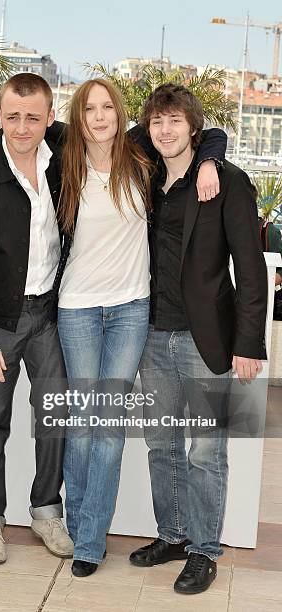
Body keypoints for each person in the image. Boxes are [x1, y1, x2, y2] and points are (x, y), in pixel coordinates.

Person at [53, 78, 227, 578]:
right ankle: (79, 524)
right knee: (85, 425)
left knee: (108, 430)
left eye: (109, 107)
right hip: (78, 310)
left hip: (132, 311)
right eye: (91, 109)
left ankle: (89, 542)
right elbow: (13, 136)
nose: (101, 116)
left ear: (119, 113)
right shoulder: (62, 158)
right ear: (78, 116)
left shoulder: (140, 154)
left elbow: (202, 133)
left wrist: (211, 158)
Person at [129, 83, 267, 594]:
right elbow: (119, 138)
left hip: (204, 338)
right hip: (148, 333)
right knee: (160, 444)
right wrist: (207, 148)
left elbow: (250, 271)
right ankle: (173, 535)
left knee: (207, 451)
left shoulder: (227, 182)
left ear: (193, 127)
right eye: (157, 122)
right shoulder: (142, 179)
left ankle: (205, 550)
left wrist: (249, 343)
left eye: (175, 122)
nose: (165, 131)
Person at [0, 73, 74, 565]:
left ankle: (46, 510)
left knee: (54, 415)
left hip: (49, 316)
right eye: (12, 116)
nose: (22, 127)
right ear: (0, 116)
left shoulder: (65, 165)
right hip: (0, 322)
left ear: (49, 118)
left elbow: (119, 134)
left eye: (33, 117)